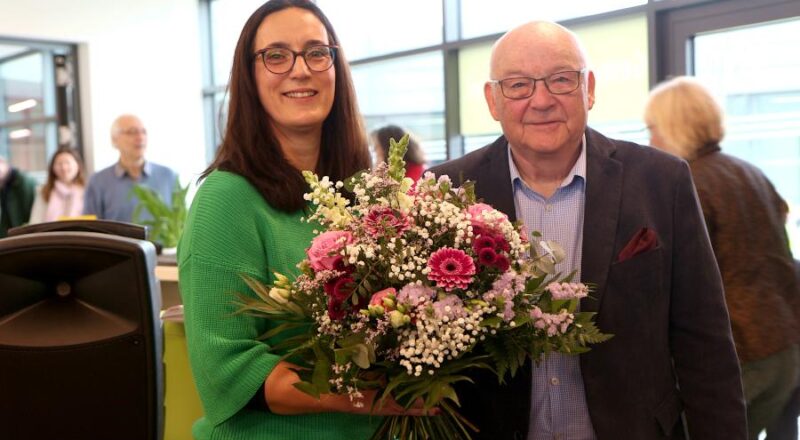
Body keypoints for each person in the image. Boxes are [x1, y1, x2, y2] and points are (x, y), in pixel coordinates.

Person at [430, 21, 747, 439]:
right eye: (519, 85)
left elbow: (703, 342)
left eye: (561, 80)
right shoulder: (446, 193)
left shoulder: (661, 181)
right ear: (493, 100)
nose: (541, 101)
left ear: (589, 89)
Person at [177, 2, 425, 439]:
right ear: (249, 79)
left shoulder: (365, 194)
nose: (300, 70)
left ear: (335, 68)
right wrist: (382, 397)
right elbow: (229, 371)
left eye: (316, 52)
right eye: (276, 55)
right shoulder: (226, 198)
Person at [645, 76, 800, 440]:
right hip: (783, 344)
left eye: (653, 129)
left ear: (674, 127)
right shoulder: (748, 171)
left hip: (740, 356)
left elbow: (683, 288)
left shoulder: (690, 184)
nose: (650, 141)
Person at [83, 114, 177, 223]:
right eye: (132, 132)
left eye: (144, 132)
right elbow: (90, 229)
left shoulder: (168, 176)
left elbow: (182, 224)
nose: (140, 137)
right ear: (114, 140)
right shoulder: (98, 181)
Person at [29, 147, 87, 223]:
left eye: (67, 162)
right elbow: (35, 221)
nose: (64, 167)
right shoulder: (44, 191)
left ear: (77, 165)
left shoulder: (87, 190)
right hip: (50, 234)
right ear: (52, 168)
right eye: (59, 163)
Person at [0, 154, 37, 237]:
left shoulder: (23, 182)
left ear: (5, 165)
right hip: (11, 232)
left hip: (25, 231)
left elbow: (29, 212)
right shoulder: (4, 182)